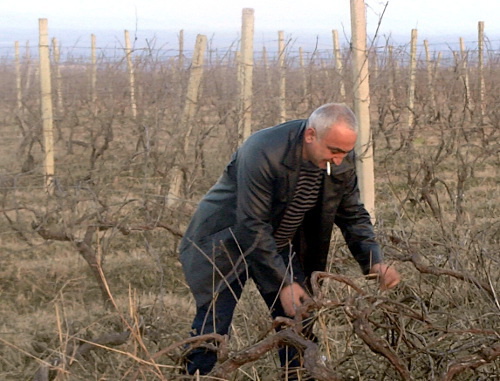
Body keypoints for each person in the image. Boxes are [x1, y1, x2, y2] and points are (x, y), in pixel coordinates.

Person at [179, 103, 400, 377]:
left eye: (346, 152)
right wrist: (283, 282)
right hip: (225, 243)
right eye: (334, 151)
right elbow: (252, 224)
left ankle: (297, 376)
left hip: (275, 243)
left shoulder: (338, 161)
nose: (340, 160)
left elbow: (353, 214)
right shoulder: (263, 150)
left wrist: (373, 261)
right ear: (310, 136)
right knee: (213, 325)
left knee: (298, 321)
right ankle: (191, 376)